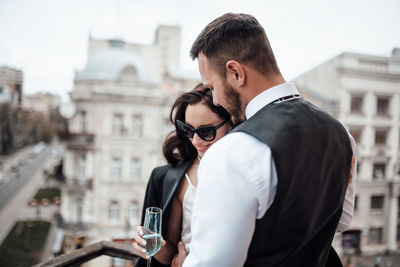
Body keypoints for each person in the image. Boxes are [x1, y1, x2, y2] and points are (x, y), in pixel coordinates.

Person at [180, 13, 357, 267]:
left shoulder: (233, 151)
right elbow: (341, 220)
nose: (215, 99)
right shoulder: (342, 134)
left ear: (235, 73)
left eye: (211, 87)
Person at [133, 84, 233, 267]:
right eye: (188, 130)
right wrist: (149, 244)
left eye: (206, 132)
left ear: (230, 124)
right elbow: (170, 252)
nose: (196, 140)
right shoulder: (173, 178)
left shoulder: (244, 174)